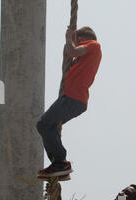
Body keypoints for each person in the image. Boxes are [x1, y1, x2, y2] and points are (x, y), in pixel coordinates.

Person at [37, 26, 102, 179]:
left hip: (73, 98)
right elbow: (68, 55)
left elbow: (72, 51)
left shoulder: (94, 45)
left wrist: (68, 39)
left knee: (43, 124)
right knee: (48, 127)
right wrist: (68, 43)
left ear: (81, 39)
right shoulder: (81, 59)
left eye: (77, 40)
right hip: (72, 99)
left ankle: (60, 161)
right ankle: (58, 165)